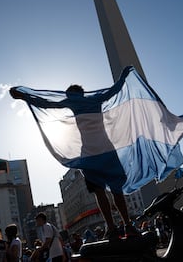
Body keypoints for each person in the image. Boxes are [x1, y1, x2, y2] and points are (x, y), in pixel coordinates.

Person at [10, 83, 138, 240]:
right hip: (107, 150)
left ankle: (111, 228)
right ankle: (128, 225)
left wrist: (25, 97)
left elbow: (48, 104)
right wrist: (124, 76)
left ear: (72, 94)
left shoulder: (72, 102)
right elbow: (114, 90)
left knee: (99, 192)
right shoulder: (96, 98)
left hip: (89, 154)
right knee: (116, 190)